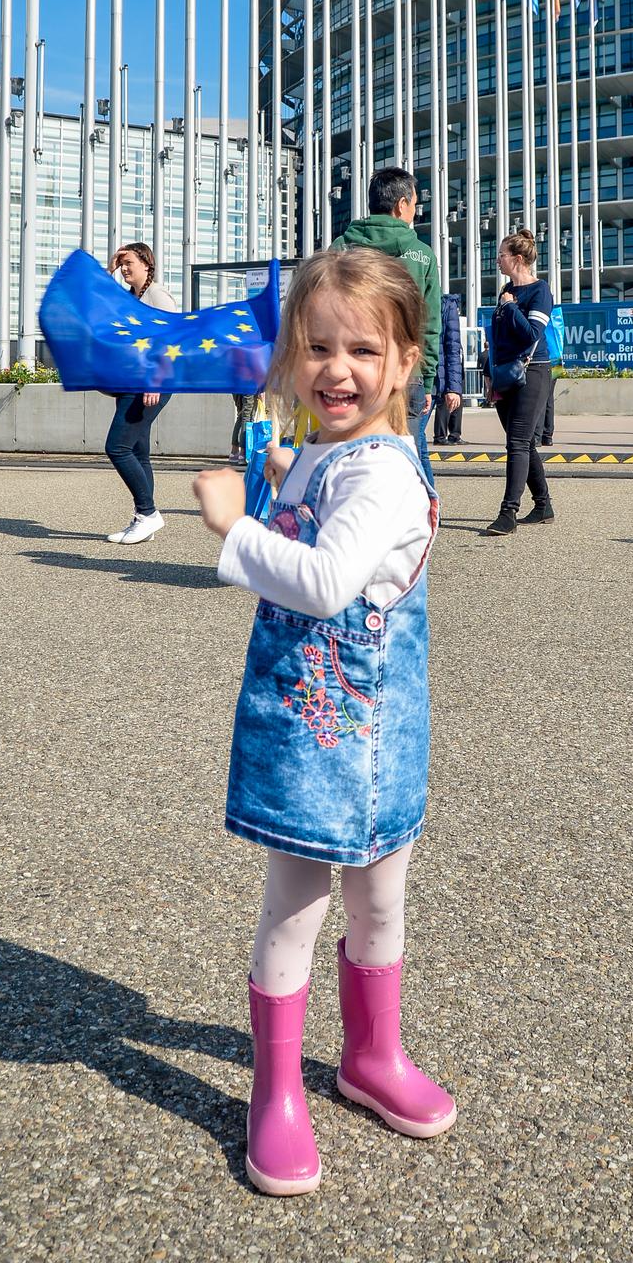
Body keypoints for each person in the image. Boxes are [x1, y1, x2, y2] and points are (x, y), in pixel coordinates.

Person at [191, 248, 453, 1197]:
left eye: (362, 349)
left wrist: (235, 526)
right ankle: (277, 1091)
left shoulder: (380, 471)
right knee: (296, 908)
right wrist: (279, 473)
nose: (336, 369)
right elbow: (315, 522)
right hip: (309, 731)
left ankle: (371, 1056)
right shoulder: (321, 452)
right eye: (316, 346)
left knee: (379, 902)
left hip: (372, 730)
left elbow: (327, 581)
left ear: (405, 358)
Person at [331, 168, 441, 489]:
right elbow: (429, 323)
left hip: (352, 369)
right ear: (401, 205)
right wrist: (429, 376)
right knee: (410, 446)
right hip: (406, 371)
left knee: (354, 447)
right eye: (414, 204)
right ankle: (423, 511)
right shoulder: (422, 256)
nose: (415, 211)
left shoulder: (342, 247)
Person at [481, 229, 556, 535]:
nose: (497, 260)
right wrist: (489, 374)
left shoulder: (540, 291)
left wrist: (511, 307)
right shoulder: (505, 289)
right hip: (505, 374)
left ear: (518, 258)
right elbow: (497, 338)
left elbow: (531, 335)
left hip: (533, 371)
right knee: (523, 442)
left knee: (517, 442)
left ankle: (508, 512)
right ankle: (543, 505)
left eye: (501, 255)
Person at [103, 243, 176, 544]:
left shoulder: (157, 295)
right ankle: (143, 520)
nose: (124, 268)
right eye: (121, 265)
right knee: (138, 452)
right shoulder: (132, 297)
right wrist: (108, 271)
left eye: (129, 262)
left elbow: (172, 338)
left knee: (117, 447)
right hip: (130, 382)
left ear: (147, 263)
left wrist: (155, 381)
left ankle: (149, 514)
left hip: (150, 382)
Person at [432, 293, 464, 446]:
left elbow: (452, 349)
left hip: (441, 377)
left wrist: (453, 388)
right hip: (437, 377)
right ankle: (441, 436)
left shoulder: (446, 306)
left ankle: (451, 435)